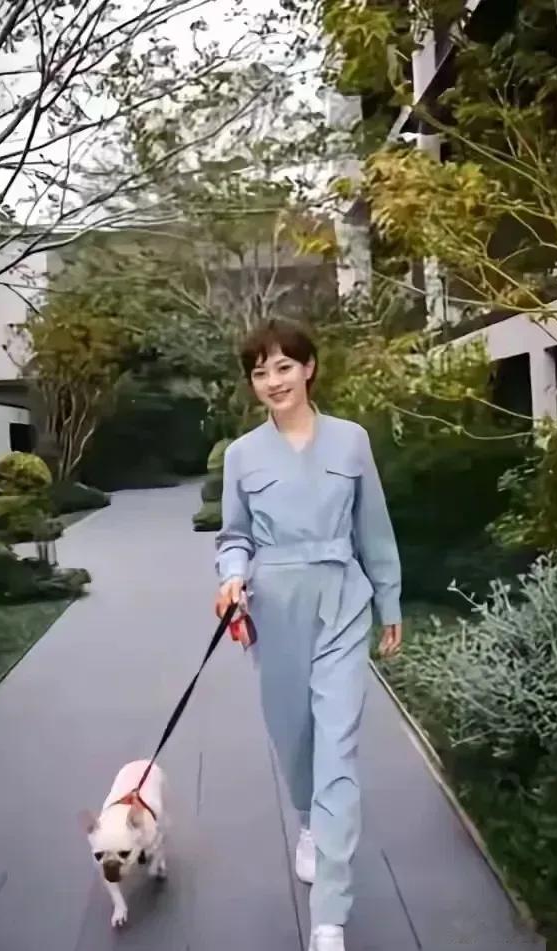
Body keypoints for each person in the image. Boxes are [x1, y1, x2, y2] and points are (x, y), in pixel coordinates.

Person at [214, 318, 402, 951]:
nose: (273, 381)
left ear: (309, 368)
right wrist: (232, 576)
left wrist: (389, 600)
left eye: (284, 367)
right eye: (260, 372)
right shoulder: (242, 455)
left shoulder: (351, 441)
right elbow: (234, 535)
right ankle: (309, 821)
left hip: (342, 602)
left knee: (338, 751)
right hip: (274, 610)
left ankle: (329, 917)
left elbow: (374, 529)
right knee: (295, 739)